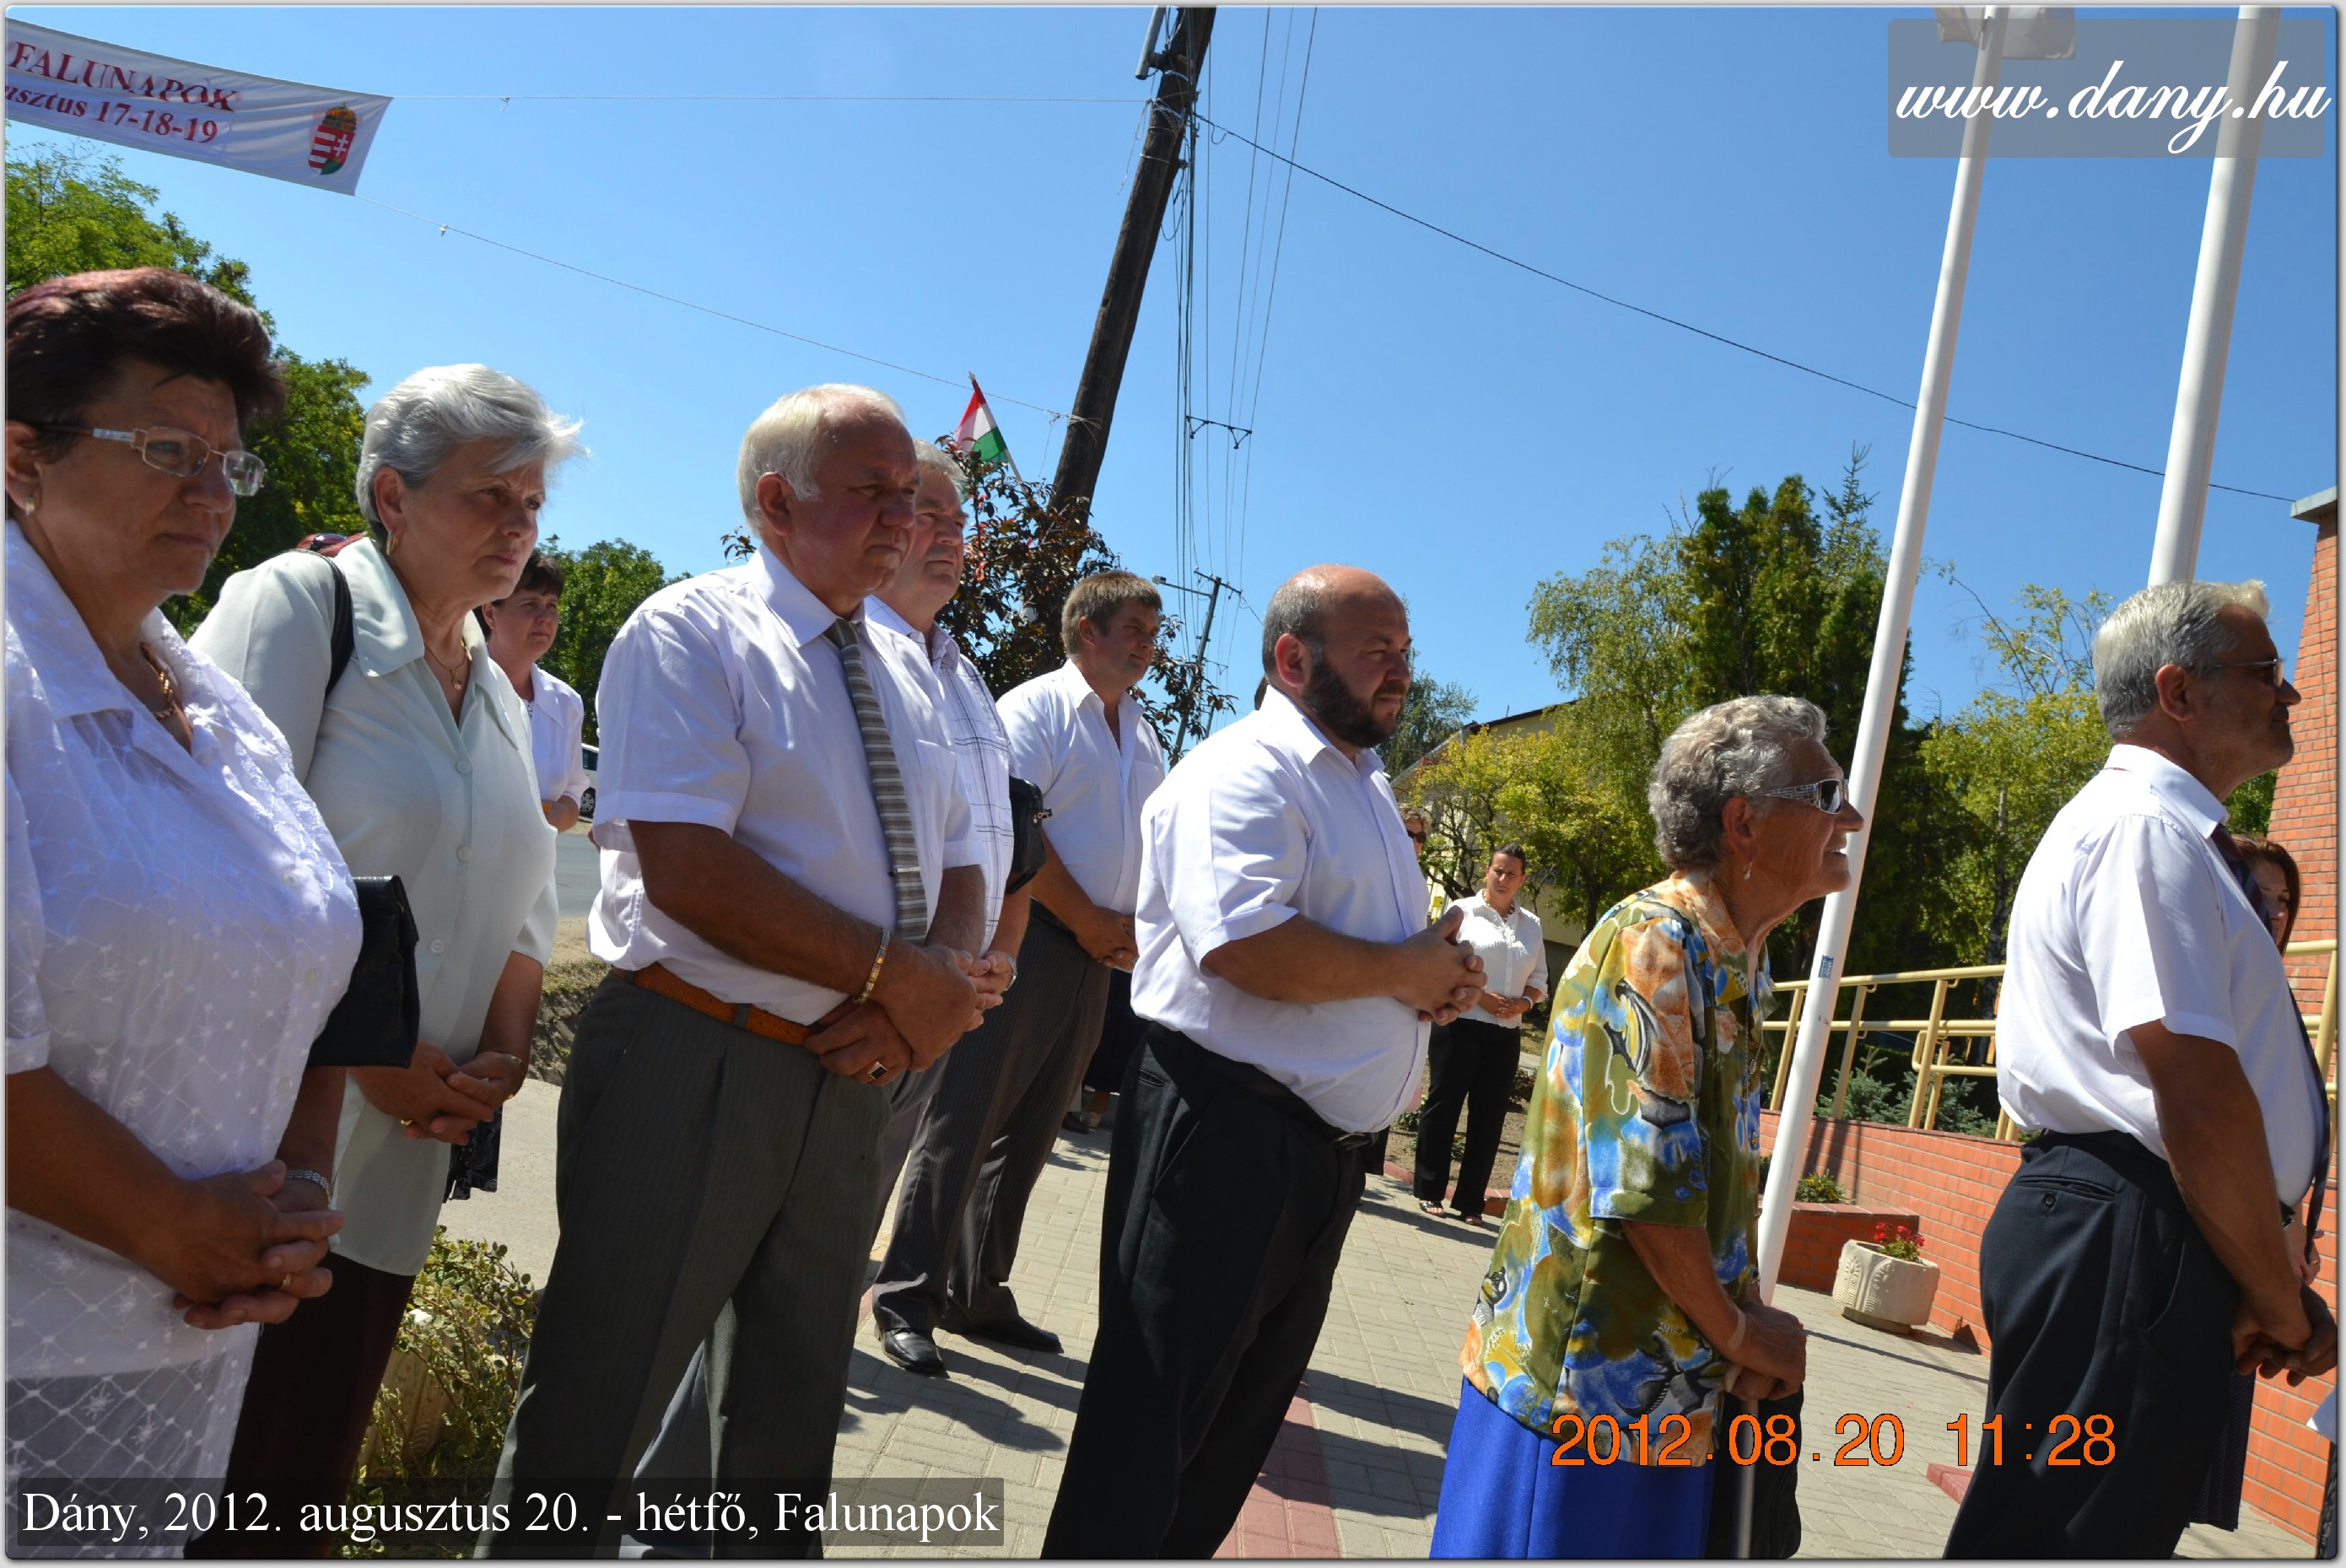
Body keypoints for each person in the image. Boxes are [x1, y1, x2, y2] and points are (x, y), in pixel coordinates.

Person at [484, 384, 995, 1558]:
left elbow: (965, 852)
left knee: (785, 1429)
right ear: (776, 500)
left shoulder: (905, 664)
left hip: (850, 1077)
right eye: (873, 491)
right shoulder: (691, 632)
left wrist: (925, 1005)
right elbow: (689, 869)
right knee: (594, 1415)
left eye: (911, 497)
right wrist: (900, 980)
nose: (904, 518)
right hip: (695, 1060)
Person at [189, 363, 576, 1550]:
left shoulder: (500, 691)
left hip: (400, 1164)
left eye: (532, 502)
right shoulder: (300, 607)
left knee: (299, 1466)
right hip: (253, 1151)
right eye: (489, 494)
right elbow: (225, 859)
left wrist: (502, 1055)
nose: (518, 525)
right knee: (210, 1471)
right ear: (393, 496)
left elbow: (527, 903)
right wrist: (378, 1056)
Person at [2, 267, 357, 1547]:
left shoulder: (213, 702)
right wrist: (170, 1224)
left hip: (186, 1342)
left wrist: (294, 1199)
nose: (212, 495)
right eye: (166, 450)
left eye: (228, 459)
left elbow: (313, 947)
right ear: (20, 457)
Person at [623, 439, 1030, 1547]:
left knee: (798, 1323)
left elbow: (989, 851)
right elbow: (710, 864)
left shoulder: (959, 677)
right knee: (689, 1308)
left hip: (912, 1024)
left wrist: (960, 978)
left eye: (951, 517)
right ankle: (665, 1521)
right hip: (782, 1025)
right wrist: (902, 986)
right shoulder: (779, 644)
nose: (936, 532)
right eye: (914, 507)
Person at [1041, 565, 1484, 1558]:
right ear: (1293, 658)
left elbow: (1364, 952)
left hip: (1314, 1162)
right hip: (1225, 1136)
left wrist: (1431, 979)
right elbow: (1242, 945)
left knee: (1226, 1441)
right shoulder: (1246, 769)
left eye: (1405, 653)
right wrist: (1403, 970)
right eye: (1376, 651)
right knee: (1146, 1437)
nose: (1401, 673)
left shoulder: (1362, 783)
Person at [1944, 579, 2336, 1559]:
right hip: (2129, 1232)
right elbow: (2197, 1099)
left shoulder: (2167, 834)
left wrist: (2255, 1267)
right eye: (2266, 671)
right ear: (2179, 690)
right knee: (2064, 1541)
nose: (2289, 693)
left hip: (2145, 1234)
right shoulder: (2145, 830)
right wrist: (2277, 1296)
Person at [1432, 696, 1840, 1558]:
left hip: (1667, 1395)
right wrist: (1742, 1333)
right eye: (1826, 793)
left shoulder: (1732, 955)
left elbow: (1705, 1184)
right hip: (1584, 1399)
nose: (1851, 818)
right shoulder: (1656, 942)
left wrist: (1738, 1327)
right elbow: (1648, 1192)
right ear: (1744, 823)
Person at [872, 569, 1166, 1375]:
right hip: (1026, 939)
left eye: (1153, 634)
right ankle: (905, 1295)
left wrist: (1127, 928)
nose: (1148, 647)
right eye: (1135, 631)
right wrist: (1092, 918)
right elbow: (1014, 832)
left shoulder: (1142, 731)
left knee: (1031, 1132)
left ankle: (977, 1291)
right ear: (1086, 631)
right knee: (963, 1120)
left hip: (1096, 960)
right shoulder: (1036, 709)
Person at [2193, 831, 2316, 1530]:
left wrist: (2292, 1226)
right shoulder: (2210, 988)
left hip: (2257, 1251)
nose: (2272, 911)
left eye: (2283, 899)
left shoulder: (2272, 995)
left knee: (2178, 1479)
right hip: (2213, 1243)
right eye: (2256, 893)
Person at [1414, 843, 1547, 1226]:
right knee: (1444, 1107)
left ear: (1522, 879)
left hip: (1505, 1034)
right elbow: (1444, 964)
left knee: (1489, 1119)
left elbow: (1540, 978)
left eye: (1511, 873)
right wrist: (1483, 997)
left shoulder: (1532, 925)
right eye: (1497, 871)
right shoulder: (1462, 912)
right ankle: (1429, 1190)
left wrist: (1523, 1004)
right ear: (1487, 871)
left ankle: (1470, 1202)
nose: (1503, 879)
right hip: (1461, 1024)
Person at [480, 551, 589, 831]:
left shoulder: (567, 702)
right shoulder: (456, 681)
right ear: (491, 613)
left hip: (534, 859)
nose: (545, 617)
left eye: (552, 605)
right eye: (530, 604)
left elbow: (573, 792)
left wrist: (547, 817)